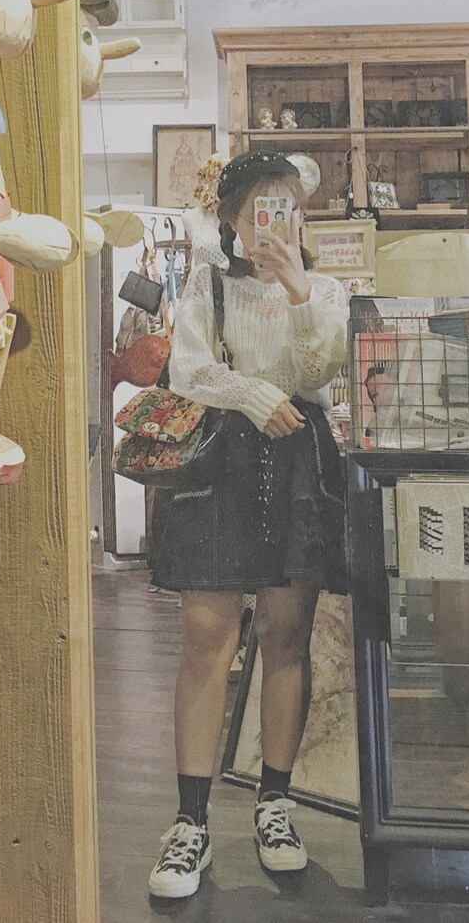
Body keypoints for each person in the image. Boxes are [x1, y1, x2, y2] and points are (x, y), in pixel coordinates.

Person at [147, 150, 349, 899]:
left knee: (285, 636)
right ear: (232, 217)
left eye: (286, 205)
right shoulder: (207, 282)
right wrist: (253, 396)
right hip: (221, 463)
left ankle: (275, 805)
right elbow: (188, 368)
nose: (274, 219)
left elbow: (322, 371)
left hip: (299, 465)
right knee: (207, 638)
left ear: (301, 213)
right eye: (260, 207)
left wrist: (299, 290)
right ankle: (190, 821)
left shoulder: (327, 289)